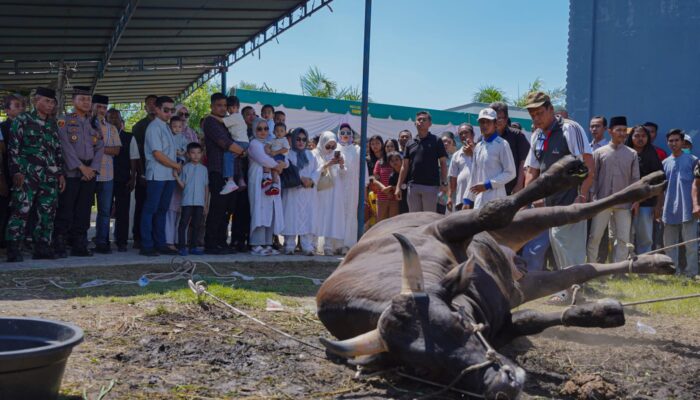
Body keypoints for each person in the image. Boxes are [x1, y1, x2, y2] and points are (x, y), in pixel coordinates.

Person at [523, 91, 593, 302]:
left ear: (551, 109)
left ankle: (574, 291)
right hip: (549, 202)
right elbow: (532, 170)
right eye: (532, 114)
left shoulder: (570, 129)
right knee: (558, 246)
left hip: (572, 197)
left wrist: (581, 197)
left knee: (569, 247)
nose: (536, 118)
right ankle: (568, 290)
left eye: (540, 113)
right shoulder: (537, 135)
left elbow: (588, 164)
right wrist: (526, 197)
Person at [5, 87, 65, 261]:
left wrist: (60, 173)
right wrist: (16, 171)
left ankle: (42, 247)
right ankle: (14, 248)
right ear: (36, 101)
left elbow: (57, 151)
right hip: (27, 175)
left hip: (49, 176)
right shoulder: (23, 120)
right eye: (46, 101)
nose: (50, 105)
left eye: (52, 102)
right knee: (21, 210)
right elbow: (13, 148)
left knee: (47, 212)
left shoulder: (52, 124)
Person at [54, 86, 104, 258]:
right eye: (82, 99)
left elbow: (100, 147)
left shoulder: (94, 122)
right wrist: (81, 167)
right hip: (72, 171)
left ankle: (79, 243)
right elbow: (64, 146)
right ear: (74, 101)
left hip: (89, 173)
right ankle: (60, 243)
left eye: (88, 99)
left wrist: (93, 168)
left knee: (84, 210)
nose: (86, 102)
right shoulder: (64, 120)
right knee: (66, 209)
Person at [586, 116, 639, 262]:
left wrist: (636, 200)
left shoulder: (632, 154)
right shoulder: (599, 152)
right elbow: (594, 178)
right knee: (594, 236)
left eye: (624, 130)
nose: (622, 133)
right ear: (610, 131)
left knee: (623, 238)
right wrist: (592, 198)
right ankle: (591, 267)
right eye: (618, 130)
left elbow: (636, 180)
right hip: (602, 201)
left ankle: (619, 270)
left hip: (624, 203)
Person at [203, 93, 246, 254]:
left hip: (232, 172)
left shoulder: (228, 121)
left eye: (224, 105)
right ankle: (211, 243)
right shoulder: (210, 121)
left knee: (228, 210)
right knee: (217, 208)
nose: (222, 108)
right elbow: (225, 143)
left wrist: (241, 150)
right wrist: (242, 150)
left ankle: (222, 242)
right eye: (219, 105)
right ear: (212, 106)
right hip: (218, 170)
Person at [139, 96, 180, 256]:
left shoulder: (165, 127)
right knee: (151, 210)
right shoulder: (154, 127)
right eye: (166, 110)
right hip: (157, 175)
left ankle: (160, 243)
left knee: (162, 210)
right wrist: (176, 165)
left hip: (168, 175)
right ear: (156, 109)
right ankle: (147, 245)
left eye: (172, 110)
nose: (169, 113)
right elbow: (157, 154)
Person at [462, 108, 516, 210]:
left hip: (497, 200)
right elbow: (474, 174)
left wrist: (488, 184)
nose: (485, 125)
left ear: (495, 123)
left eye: (488, 122)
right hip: (479, 201)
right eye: (482, 122)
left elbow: (511, 173)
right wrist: (468, 199)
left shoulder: (502, 144)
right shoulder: (478, 146)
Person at [395, 111, 448, 212]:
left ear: (430, 124)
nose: (421, 121)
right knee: (414, 220)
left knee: (428, 220)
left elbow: (443, 163)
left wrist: (444, 183)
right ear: (415, 123)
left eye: (424, 119)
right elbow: (404, 166)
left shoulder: (436, 140)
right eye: (419, 120)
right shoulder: (409, 143)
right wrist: (398, 187)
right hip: (413, 187)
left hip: (431, 187)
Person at [662, 129, 698, 277]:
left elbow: (698, 184)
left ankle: (691, 273)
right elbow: (661, 188)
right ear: (667, 142)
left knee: (691, 244)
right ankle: (673, 273)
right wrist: (659, 208)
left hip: (688, 208)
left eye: (677, 140)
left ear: (683, 142)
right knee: (670, 245)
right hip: (669, 208)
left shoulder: (693, 160)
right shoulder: (664, 163)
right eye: (671, 141)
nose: (674, 143)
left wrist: (696, 205)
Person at [248, 117, 286, 256]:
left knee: (271, 211)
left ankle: (267, 243)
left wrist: (283, 164)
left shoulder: (272, 143)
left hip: (273, 180)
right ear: (254, 130)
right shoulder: (254, 144)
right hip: (259, 180)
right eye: (259, 128)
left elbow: (284, 158)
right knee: (259, 210)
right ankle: (256, 244)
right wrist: (278, 165)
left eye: (266, 128)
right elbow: (263, 159)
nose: (263, 131)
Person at [625, 125, 663, 255]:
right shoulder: (625, 153)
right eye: (637, 136)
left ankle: (644, 263)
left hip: (647, 203)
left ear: (648, 138)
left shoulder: (652, 155)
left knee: (645, 237)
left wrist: (658, 205)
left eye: (643, 136)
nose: (640, 139)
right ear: (631, 137)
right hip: (624, 202)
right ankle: (625, 264)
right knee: (624, 235)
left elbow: (659, 182)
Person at [281, 128, 319, 255]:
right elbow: (286, 171)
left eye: (304, 139)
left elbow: (317, 170)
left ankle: (307, 246)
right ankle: (289, 245)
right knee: (291, 216)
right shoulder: (288, 154)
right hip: (293, 191)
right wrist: (300, 179)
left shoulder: (311, 155)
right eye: (298, 139)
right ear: (292, 139)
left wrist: (312, 180)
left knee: (307, 216)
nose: (301, 142)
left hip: (308, 191)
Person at [92, 94, 121, 254]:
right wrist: (104, 148)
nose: (101, 110)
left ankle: (102, 241)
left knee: (104, 210)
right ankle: (78, 240)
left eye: (104, 107)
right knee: (81, 210)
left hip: (107, 174)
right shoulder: (84, 125)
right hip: (87, 173)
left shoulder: (111, 128)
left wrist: (97, 147)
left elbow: (116, 150)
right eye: (98, 106)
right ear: (92, 106)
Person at [107, 108, 139, 252]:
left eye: (116, 118)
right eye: (111, 118)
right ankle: (102, 240)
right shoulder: (101, 135)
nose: (114, 121)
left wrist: (133, 177)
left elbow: (134, 158)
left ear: (122, 122)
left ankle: (122, 241)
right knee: (104, 211)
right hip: (104, 178)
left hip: (123, 178)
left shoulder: (129, 137)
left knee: (123, 211)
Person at [131, 94, 158, 249]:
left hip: (161, 173)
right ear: (145, 107)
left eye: (155, 103)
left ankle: (154, 236)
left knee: (157, 206)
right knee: (142, 205)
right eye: (149, 104)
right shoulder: (140, 126)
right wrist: (141, 173)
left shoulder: (166, 124)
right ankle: (138, 237)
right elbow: (138, 152)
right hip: (145, 172)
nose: (152, 106)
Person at [337, 123, 367, 253]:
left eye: (348, 133)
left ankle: (348, 244)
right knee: (337, 213)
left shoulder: (357, 149)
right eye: (342, 133)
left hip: (352, 186)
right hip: (337, 186)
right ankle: (336, 244)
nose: (345, 135)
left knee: (350, 213)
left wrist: (364, 187)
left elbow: (363, 169)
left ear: (352, 135)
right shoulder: (335, 148)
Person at [314, 131, 346, 255]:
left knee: (331, 218)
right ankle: (313, 244)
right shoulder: (316, 154)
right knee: (318, 217)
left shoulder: (337, 155)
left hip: (334, 192)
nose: (331, 149)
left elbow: (343, 175)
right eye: (328, 146)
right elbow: (314, 171)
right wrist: (327, 164)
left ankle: (328, 246)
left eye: (333, 146)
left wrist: (342, 165)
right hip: (320, 191)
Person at [174, 142, 208, 256]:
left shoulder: (204, 169)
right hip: (187, 201)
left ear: (202, 154)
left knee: (196, 225)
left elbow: (206, 187)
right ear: (188, 154)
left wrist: (206, 203)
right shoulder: (185, 168)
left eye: (198, 153)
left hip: (199, 202)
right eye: (193, 153)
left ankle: (193, 247)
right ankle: (182, 247)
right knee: (183, 224)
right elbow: (183, 185)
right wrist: (177, 177)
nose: (196, 155)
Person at [490, 102, 531, 194]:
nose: (497, 121)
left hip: (512, 189)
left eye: (500, 118)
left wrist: (520, 184)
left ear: (506, 118)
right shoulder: (484, 139)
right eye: (494, 118)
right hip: (491, 189)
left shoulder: (517, 135)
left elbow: (524, 161)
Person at [0, 94, 22, 249]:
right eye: (17, 105)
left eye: (23, 105)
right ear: (7, 110)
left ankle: (17, 240)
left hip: (25, 173)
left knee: (20, 208)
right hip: (6, 173)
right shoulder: (3, 127)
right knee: (4, 207)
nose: (21, 108)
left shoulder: (28, 126)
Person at [164, 116, 188, 252]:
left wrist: (182, 154)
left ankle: (179, 241)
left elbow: (186, 151)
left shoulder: (184, 138)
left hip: (181, 171)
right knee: (170, 211)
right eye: (174, 126)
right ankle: (168, 241)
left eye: (179, 126)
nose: (177, 129)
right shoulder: (167, 137)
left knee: (181, 212)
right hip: (169, 173)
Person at [220, 95, 249, 194]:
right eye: (229, 108)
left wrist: (210, 116)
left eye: (234, 107)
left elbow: (221, 121)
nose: (231, 110)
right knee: (236, 159)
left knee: (227, 155)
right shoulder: (237, 117)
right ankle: (241, 181)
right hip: (244, 142)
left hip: (239, 142)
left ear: (237, 107)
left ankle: (230, 181)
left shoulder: (235, 116)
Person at [447, 123, 475, 212]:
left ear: (473, 134)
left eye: (466, 132)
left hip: (479, 198)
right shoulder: (456, 155)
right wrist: (450, 197)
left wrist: (473, 152)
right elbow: (453, 178)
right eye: (460, 134)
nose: (463, 135)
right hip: (461, 199)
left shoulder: (481, 150)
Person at [372, 145, 402, 221]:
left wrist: (391, 189)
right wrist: (385, 189)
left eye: (392, 146)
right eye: (387, 146)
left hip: (395, 198)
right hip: (382, 197)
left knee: (393, 223)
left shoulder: (399, 162)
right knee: (381, 223)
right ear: (384, 148)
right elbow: (375, 180)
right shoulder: (379, 162)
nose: (389, 148)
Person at [263, 122, 290, 196]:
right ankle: (266, 178)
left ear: (285, 132)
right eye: (277, 131)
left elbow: (285, 149)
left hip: (279, 156)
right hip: (272, 155)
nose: (279, 133)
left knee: (275, 170)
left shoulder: (284, 140)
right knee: (266, 163)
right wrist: (267, 149)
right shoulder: (272, 140)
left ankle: (275, 185)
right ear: (274, 132)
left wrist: (275, 152)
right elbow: (267, 145)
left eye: (281, 131)